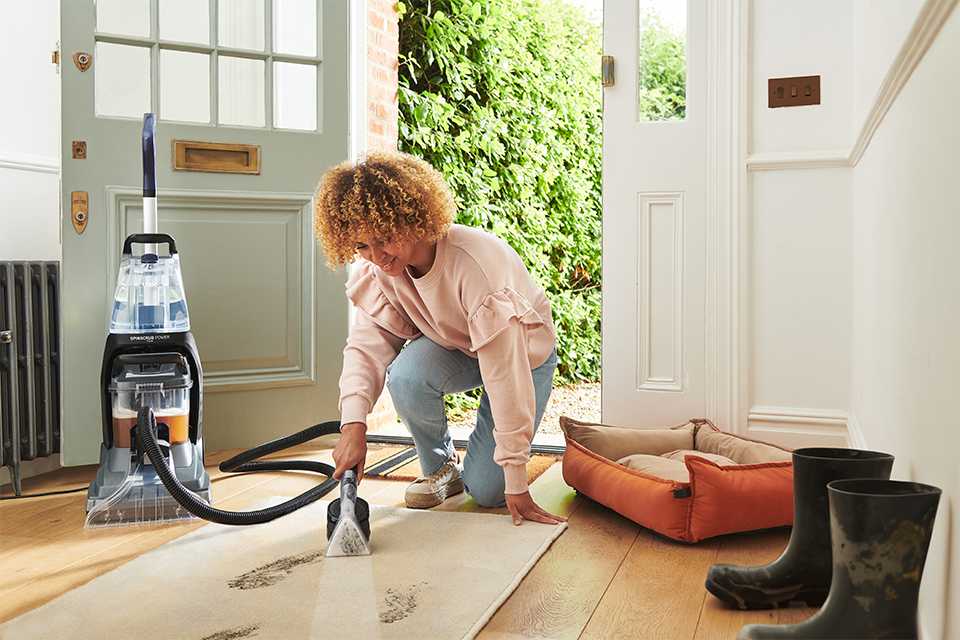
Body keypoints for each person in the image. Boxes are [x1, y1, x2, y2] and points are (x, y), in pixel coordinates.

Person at [314, 151, 565, 526]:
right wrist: (353, 426)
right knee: (405, 374)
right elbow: (367, 348)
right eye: (361, 246)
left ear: (413, 218)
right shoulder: (383, 270)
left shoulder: (475, 267)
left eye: (384, 239)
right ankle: (441, 468)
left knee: (489, 491)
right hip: (459, 346)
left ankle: (491, 472)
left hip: (522, 355)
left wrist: (515, 477)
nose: (376, 257)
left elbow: (505, 377)